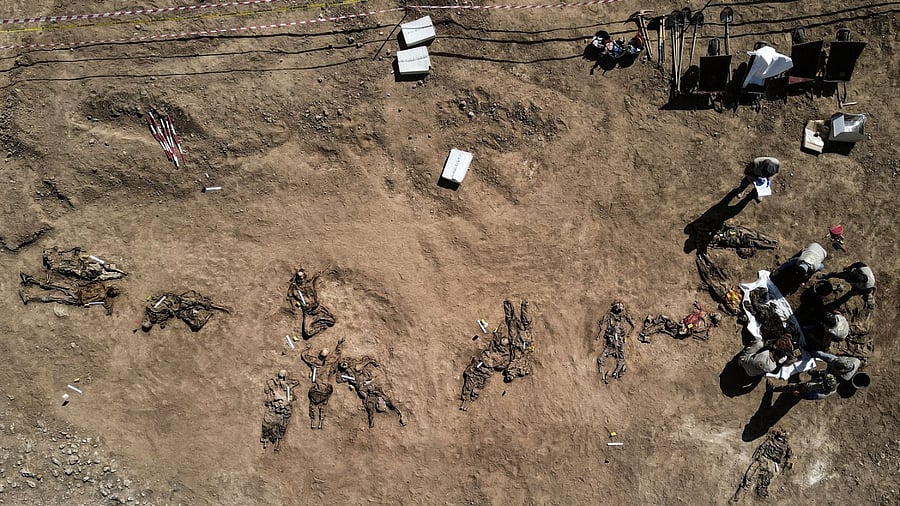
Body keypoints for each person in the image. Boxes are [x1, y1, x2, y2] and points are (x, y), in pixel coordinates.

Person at [337, 357, 407, 428]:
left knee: (382, 396)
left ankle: (397, 411)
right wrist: (343, 375)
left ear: (348, 363)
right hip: (363, 389)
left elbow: (368, 361)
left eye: (344, 363)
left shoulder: (357, 367)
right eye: (342, 365)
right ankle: (371, 422)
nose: (343, 365)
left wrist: (374, 364)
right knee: (369, 403)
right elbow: (339, 380)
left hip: (369, 384)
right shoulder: (346, 374)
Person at [19, 273, 120, 316]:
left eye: (114, 293)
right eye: (114, 291)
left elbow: (105, 304)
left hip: (76, 296)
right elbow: (88, 284)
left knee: (53, 294)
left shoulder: (102, 293)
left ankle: (28, 297)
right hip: (77, 293)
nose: (113, 292)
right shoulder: (101, 288)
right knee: (53, 287)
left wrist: (109, 308)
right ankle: (29, 280)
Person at [300, 338, 344, 429]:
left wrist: (307, 348)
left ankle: (312, 422)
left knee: (312, 404)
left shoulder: (315, 362)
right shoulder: (329, 362)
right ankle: (320, 423)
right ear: (327, 356)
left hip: (317, 387)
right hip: (325, 387)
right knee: (323, 404)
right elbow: (337, 354)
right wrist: (339, 343)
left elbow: (304, 356)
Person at [141, 291, 230, 332]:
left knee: (197, 301)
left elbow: (161, 299)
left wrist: (165, 309)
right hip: (178, 310)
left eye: (145, 321)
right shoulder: (157, 319)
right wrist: (164, 321)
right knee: (194, 325)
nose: (147, 320)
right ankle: (209, 314)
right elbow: (170, 315)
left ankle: (221, 307)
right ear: (151, 324)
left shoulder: (150, 308)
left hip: (176, 300)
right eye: (148, 323)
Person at [287, 269, 336, 339]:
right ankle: (320, 325)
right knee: (307, 332)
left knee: (332, 321)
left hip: (318, 309)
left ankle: (319, 319)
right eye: (299, 278)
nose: (302, 280)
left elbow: (316, 278)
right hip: (308, 313)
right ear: (297, 280)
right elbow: (293, 296)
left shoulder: (310, 283)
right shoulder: (295, 290)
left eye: (303, 277)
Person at [260, 369, 300, 451]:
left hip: (284, 409)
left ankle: (277, 442)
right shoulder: (272, 385)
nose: (281, 380)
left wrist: (286, 402)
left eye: (283, 377)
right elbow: (267, 398)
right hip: (273, 408)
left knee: (281, 426)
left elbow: (292, 397)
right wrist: (274, 399)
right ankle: (265, 439)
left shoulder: (288, 387)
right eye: (280, 377)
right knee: (267, 424)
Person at [596, 301, 634, 384]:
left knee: (620, 359)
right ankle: (602, 375)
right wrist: (600, 334)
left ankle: (616, 372)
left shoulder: (624, 316)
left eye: (620, 308)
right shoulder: (610, 316)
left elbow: (633, 325)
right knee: (601, 358)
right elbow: (602, 324)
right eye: (617, 308)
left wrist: (626, 336)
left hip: (619, 342)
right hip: (611, 342)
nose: (618, 310)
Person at [766, 369, 838, 400]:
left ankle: (773, 389)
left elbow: (807, 396)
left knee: (791, 387)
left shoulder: (817, 395)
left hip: (806, 390)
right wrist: (816, 373)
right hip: (811, 385)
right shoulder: (831, 381)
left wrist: (799, 394)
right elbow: (824, 374)